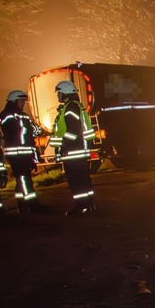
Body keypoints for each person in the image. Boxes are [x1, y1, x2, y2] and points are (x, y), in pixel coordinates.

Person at [50, 81, 97, 216]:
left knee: (76, 181)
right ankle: (88, 205)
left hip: (72, 152)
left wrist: (63, 146)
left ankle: (81, 207)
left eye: (59, 93)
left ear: (65, 93)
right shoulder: (74, 106)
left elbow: (73, 131)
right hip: (78, 151)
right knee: (83, 180)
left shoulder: (70, 108)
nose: (58, 96)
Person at [0, 90, 45, 213]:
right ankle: (32, 204)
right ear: (14, 101)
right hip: (16, 155)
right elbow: (20, 129)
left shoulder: (22, 115)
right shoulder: (6, 115)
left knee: (22, 180)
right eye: (22, 101)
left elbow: (35, 131)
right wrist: (28, 127)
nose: (23, 104)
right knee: (24, 179)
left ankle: (22, 204)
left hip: (26, 154)